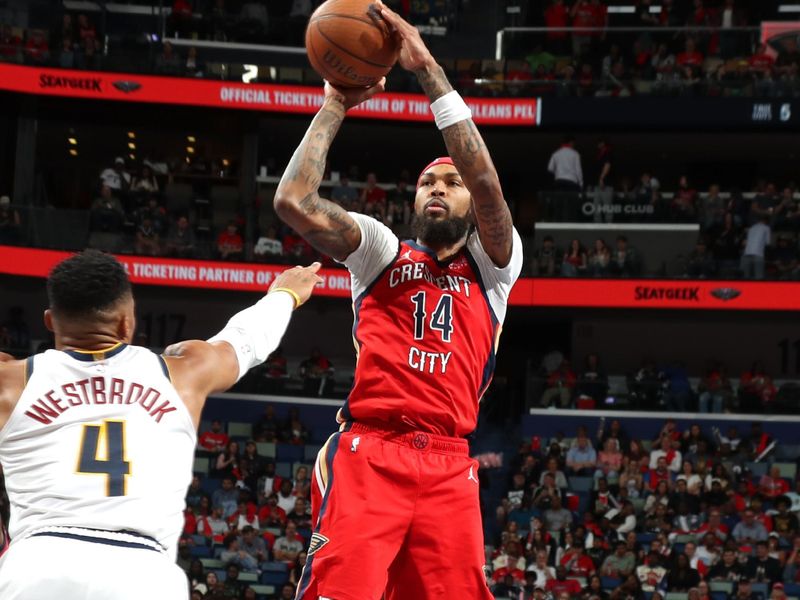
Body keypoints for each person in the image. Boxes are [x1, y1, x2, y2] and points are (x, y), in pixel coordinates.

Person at [272, 3, 522, 597]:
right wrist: (337, 100)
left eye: (449, 183)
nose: (439, 188)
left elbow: (485, 181)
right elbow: (293, 202)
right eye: (427, 182)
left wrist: (428, 69)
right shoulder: (382, 251)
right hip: (370, 453)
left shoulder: (494, 267)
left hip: (448, 462)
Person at [0, 250, 321, 598]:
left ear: (50, 320)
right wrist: (284, 295)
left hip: (38, 564)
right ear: (127, 322)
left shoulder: (10, 382)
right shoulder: (181, 373)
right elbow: (244, 340)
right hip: (144, 572)